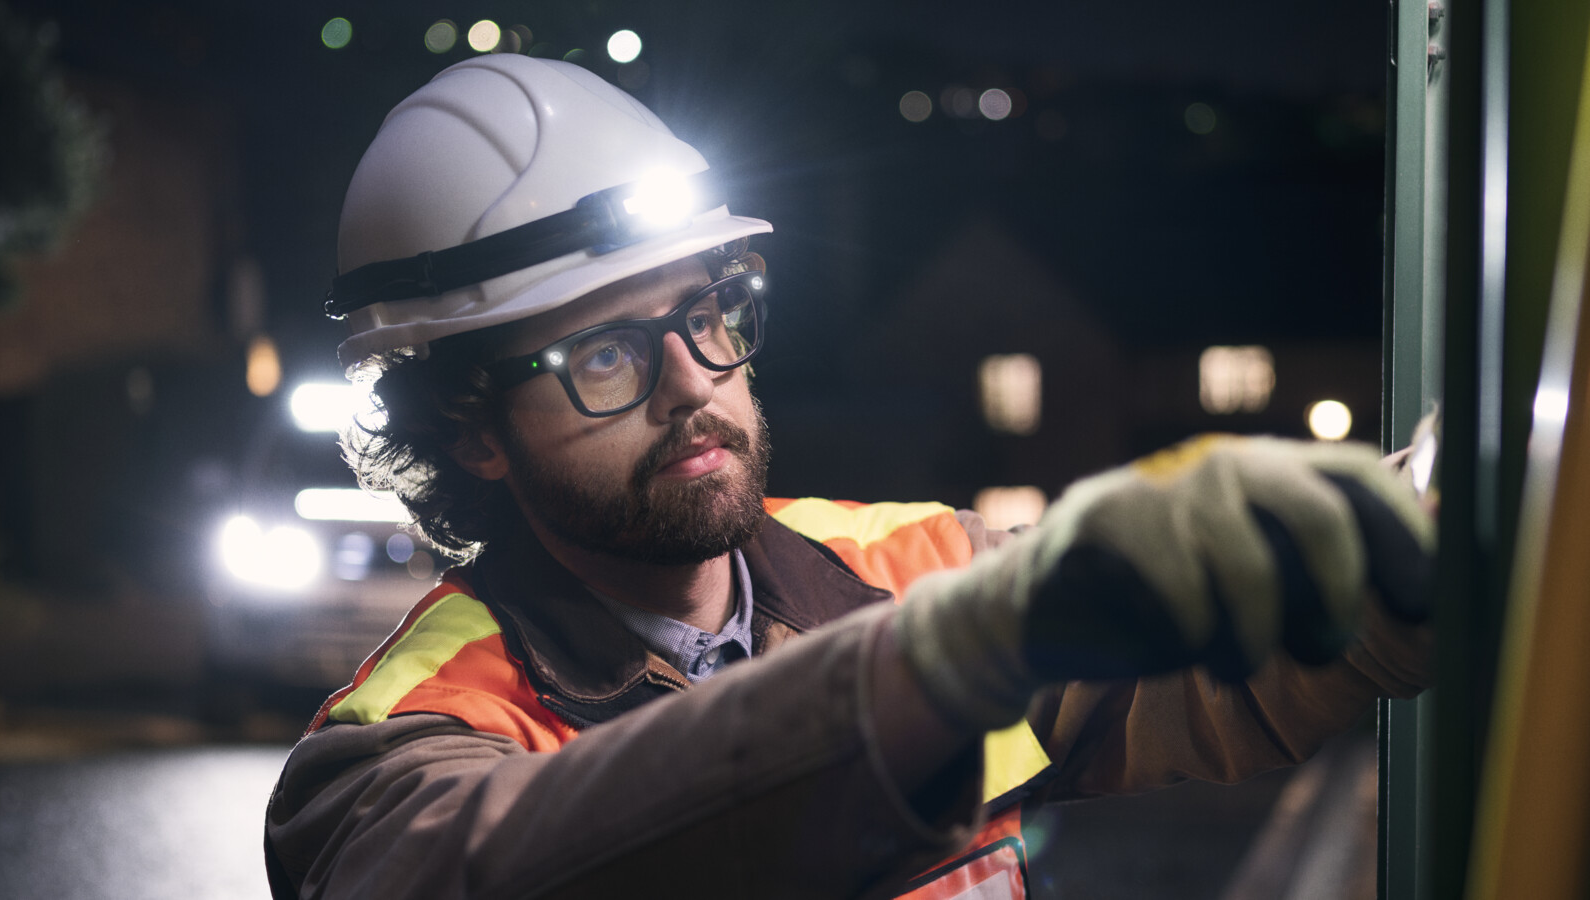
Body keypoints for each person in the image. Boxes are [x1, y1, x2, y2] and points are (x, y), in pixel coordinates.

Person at [263, 54, 1433, 900]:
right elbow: (516, 863)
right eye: (605, 354)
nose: (694, 385)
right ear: (469, 427)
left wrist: (1426, 525)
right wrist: (938, 670)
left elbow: (1239, 660)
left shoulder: (899, 571)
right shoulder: (400, 751)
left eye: (706, 314)